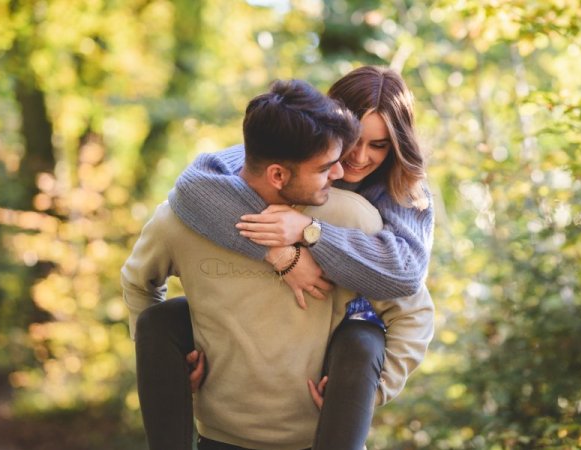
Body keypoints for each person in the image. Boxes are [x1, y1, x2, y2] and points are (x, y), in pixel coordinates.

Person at [122, 78, 434, 450]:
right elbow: (186, 200)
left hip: (319, 431)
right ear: (279, 171)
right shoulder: (190, 212)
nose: (349, 165)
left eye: (378, 145)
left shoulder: (361, 214)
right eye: (328, 163)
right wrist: (166, 371)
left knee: (362, 339)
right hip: (219, 433)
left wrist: (372, 392)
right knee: (160, 320)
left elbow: (409, 297)